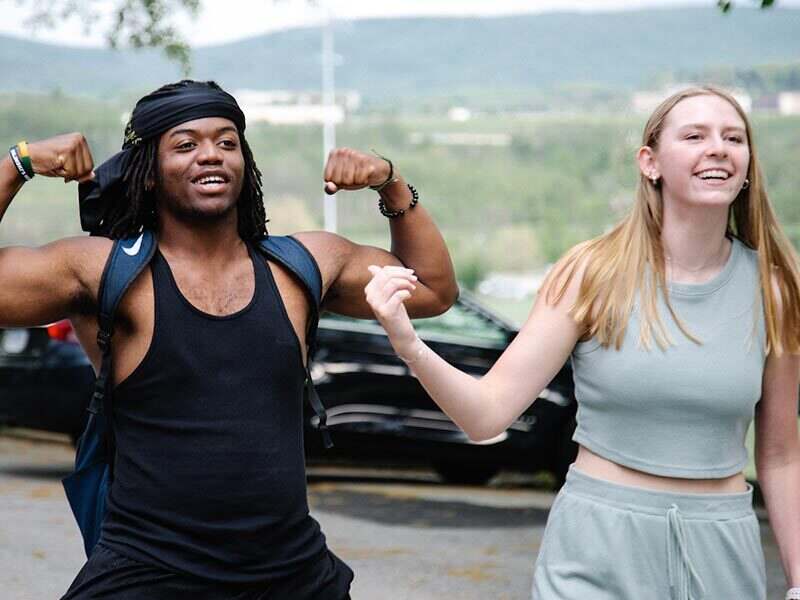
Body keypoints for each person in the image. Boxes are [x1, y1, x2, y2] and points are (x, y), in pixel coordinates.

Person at [0, 79, 458, 599]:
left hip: (291, 575)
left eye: (226, 142)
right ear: (148, 173)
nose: (210, 156)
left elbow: (435, 289)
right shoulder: (105, 270)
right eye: (185, 144)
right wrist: (19, 162)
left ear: (245, 163)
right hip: (149, 575)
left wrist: (390, 184)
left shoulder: (303, 266)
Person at [364, 86, 800, 600]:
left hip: (723, 548)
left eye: (733, 137)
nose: (718, 148)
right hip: (598, 545)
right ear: (650, 162)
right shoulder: (590, 275)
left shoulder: (776, 290)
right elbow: (485, 415)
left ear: (747, 164)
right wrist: (408, 342)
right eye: (695, 135)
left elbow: (780, 455)